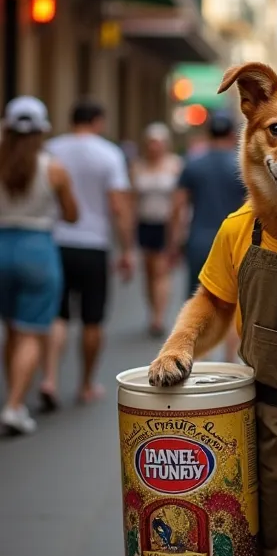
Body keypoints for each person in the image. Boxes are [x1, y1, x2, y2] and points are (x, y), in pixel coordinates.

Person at [40, 102, 134, 406]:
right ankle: (86, 384)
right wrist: (127, 249)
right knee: (92, 318)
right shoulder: (109, 153)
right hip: (94, 245)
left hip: (56, 241)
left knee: (57, 315)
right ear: (97, 121)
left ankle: (50, 379)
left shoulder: (51, 150)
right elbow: (117, 206)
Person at [0, 97, 77, 435]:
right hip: (37, 250)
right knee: (32, 330)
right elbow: (72, 215)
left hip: (1, 244)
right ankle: (15, 405)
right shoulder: (54, 169)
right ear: (44, 130)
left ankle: (14, 397)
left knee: (12, 329)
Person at [169, 111, 245, 361]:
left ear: (207, 133)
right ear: (233, 134)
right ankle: (230, 366)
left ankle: (197, 364)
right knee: (234, 305)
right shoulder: (241, 165)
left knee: (199, 302)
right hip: (236, 244)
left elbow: (178, 206)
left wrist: (173, 243)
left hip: (199, 240)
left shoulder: (193, 163)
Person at [132, 123, 181, 337]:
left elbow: (181, 200)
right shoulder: (138, 166)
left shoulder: (175, 165)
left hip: (166, 223)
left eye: (159, 142)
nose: (155, 147)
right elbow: (132, 198)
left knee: (161, 270)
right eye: (152, 142)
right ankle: (152, 310)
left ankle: (159, 317)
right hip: (145, 222)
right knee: (149, 271)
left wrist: (179, 230)